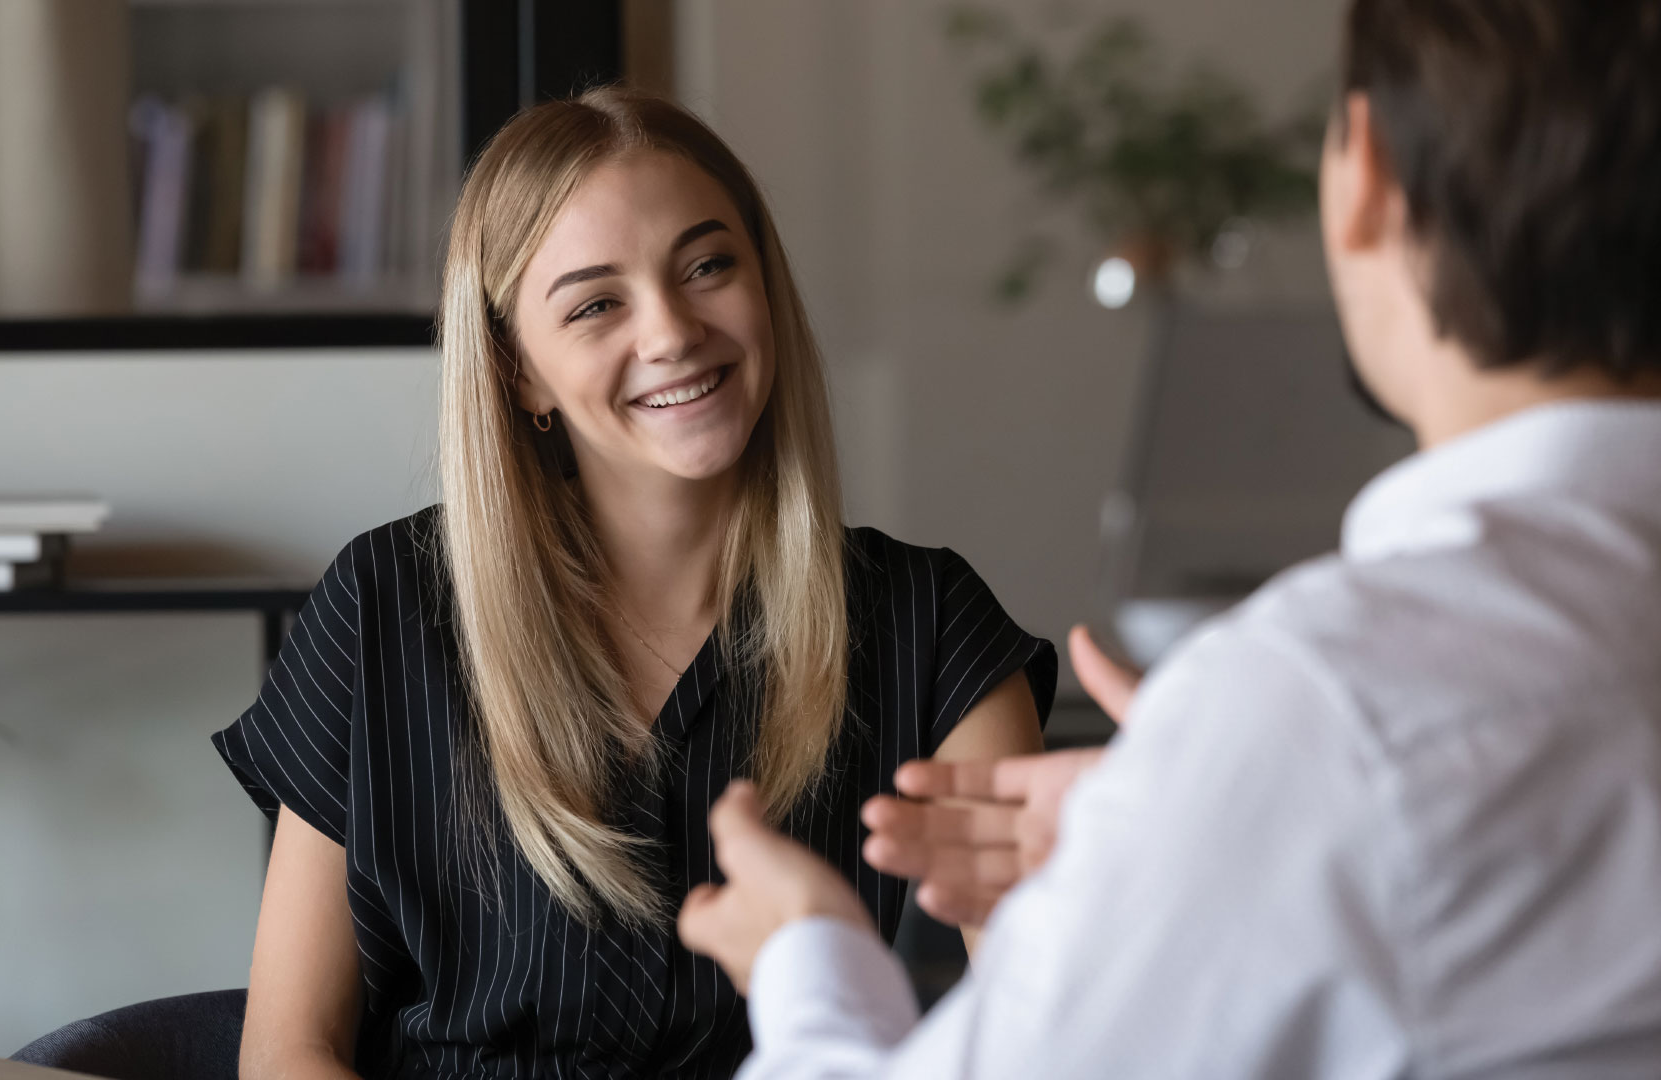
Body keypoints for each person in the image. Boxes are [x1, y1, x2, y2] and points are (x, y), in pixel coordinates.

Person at [677, 1, 1661, 1075]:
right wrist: (1197, 825)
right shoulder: (1315, 728)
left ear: (1364, 174)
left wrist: (806, 964)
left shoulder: (1326, 713)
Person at [210, 86, 1058, 1079]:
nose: (671, 331)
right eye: (597, 303)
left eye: (707, 266)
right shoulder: (384, 604)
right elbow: (289, 1050)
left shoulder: (931, 622)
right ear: (519, 371)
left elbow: (1042, 1035)